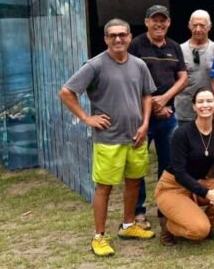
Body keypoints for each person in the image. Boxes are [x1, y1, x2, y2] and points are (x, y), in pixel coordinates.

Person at [58, 18, 156, 257]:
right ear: (105, 39)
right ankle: (99, 237)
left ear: (130, 37)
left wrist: (145, 123)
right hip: (109, 139)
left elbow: (147, 95)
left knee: (134, 181)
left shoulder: (139, 65)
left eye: (122, 34)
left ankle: (128, 226)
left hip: (136, 137)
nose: (118, 39)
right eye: (113, 35)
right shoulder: (95, 65)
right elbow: (66, 92)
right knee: (104, 188)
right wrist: (87, 118)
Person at [155, 88, 214, 245]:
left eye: (209, 101)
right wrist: (207, 193)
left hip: (198, 184)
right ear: (194, 107)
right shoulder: (181, 134)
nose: (205, 105)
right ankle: (169, 226)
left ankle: (210, 221)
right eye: (200, 102)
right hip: (173, 186)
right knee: (198, 231)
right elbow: (180, 173)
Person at [128, 5, 188, 229]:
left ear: (169, 23)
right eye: (154, 20)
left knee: (169, 163)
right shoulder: (136, 45)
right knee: (138, 164)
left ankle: (165, 207)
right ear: (146, 22)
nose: (159, 24)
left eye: (163, 20)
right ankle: (138, 211)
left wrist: (164, 99)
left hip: (168, 115)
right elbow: (129, 78)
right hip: (140, 117)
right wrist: (152, 104)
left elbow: (183, 78)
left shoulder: (174, 47)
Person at [175, 10, 214, 126]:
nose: (198, 29)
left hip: (210, 110)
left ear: (209, 26)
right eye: (194, 25)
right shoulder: (178, 50)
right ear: (189, 26)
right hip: (184, 111)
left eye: (202, 25)